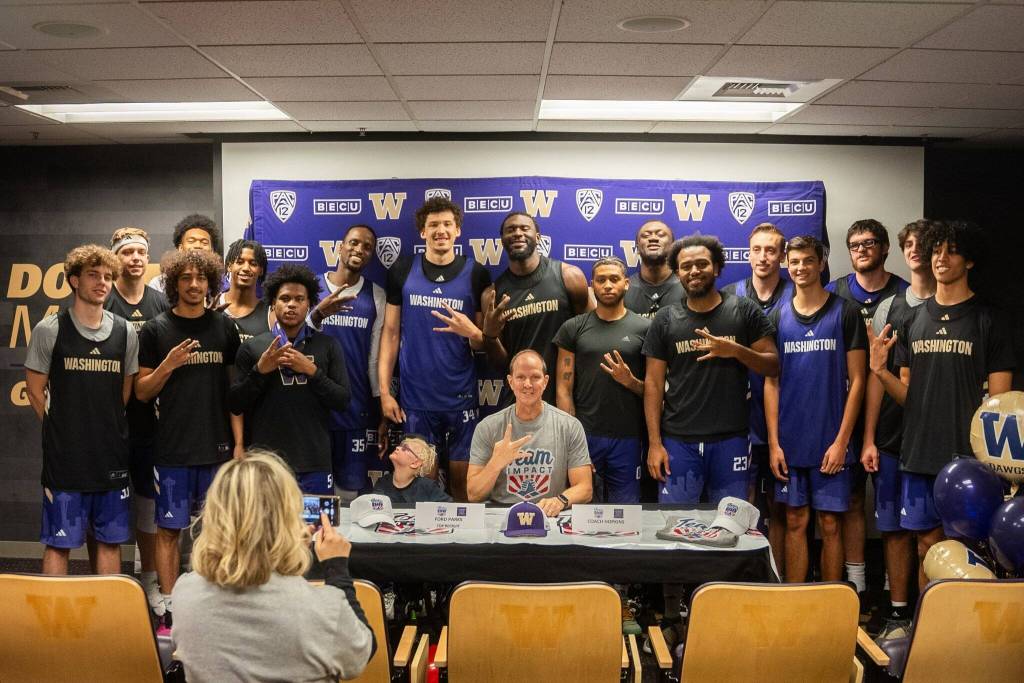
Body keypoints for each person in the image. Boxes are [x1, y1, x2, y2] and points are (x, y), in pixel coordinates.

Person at [869, 220, 1013, 594]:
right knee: (927, 548)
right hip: (918, 455)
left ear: (970, 261)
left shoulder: (989, 319)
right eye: (936, 250)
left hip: (969, 462)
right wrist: (880, 372)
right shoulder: (911, 318)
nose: (941, 258)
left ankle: (966, 638)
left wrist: (993, 464)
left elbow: (998, 405)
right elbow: (907, 396)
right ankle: (925, 630)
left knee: (968, 552)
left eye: (951, 251)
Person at [172, 450, 374, 683]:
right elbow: (359, 655)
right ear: (289, 517)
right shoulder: (322, 608)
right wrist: (336, 568)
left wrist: (288, 554)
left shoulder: (185, 593)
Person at [136, 249, 242, 632]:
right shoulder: (155, 329)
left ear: (211, 283)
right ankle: (170, 608)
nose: (194, 285)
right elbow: (143, 392)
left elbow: (235, 393)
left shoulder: (224, 328)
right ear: (173, 283)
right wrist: (168, 365)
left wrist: (238, 444)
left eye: (201, 278)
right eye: (186, 278)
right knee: (169, 531)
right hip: (173, 451)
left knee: (214, 532)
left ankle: (210, 602)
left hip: (216, 448)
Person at [24, 245, 138, 576]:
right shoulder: (51, 329)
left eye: (107, 277)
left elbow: (124, 394)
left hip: (110, 456)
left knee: (109, 542)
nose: (102, 282)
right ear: (74, 280)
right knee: (59, 543)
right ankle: (52, 624)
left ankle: (105, 619)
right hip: (65, 460)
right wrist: (62, 430)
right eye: (93, 275)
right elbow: (34, 390)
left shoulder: (125, 332)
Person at [642, 235, 779, 505]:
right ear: (678, 273)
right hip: (678, 442)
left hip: (732, 440)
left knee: (731, 528)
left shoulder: (743, 309)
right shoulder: (665, 319)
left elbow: (773, 365)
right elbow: (653, 385)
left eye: (702, 264)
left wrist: (736, 350)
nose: (694, 271)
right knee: (676, 527)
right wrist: (655, 444)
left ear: (716, 268)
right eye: (686, 266)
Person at [764, 235, 867, 584]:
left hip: (831, 441)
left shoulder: (845, 312)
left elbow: (858, 382)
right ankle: (794, 601)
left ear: (821, 263)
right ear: (786, 265)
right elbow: (771, 382)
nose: (801, 268)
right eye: (794, 262)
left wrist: (842, 442)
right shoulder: (778, 316)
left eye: (808, 260)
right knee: (794, 520)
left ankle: (830, 602)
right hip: (791, 443)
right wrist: (775, 443)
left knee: (830, 523)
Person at [378, 197, 491, 502]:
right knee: (422, 489)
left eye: (447, 224)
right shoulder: (402, 269)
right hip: (416, 399)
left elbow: (485, 343)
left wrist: (474, 333)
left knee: (463, 488)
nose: (440, 230)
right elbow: (389, 333)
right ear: (422, 232)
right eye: (433, 225)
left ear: (458, 231)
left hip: (460, 396)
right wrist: (386, 392)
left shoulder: (477, 272)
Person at [860, 220, 937, 641]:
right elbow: (877, 375)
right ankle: (898, 610)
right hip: (892, 435)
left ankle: (932, 613)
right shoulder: (892, 307)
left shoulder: (952, 307)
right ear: (902, 250)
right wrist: (869, 436)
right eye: (910, 244)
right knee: (892, 528)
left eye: (924, 244)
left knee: (929, 531)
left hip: (936, 438)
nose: (917, 251)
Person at [828, 219, 909, 597]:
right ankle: (856, 587)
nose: (861, 249)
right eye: (855, 244)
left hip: (894, 418)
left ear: (885, 248)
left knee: (896, 508)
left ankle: (898, 590)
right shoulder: (835, 294)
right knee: (852, 501)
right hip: (844, 414)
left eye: (870, 242)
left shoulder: (905, 296)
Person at [229, 265, 350, 494]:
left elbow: (342, 401)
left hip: (314, 462)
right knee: (267, 529)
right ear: (273, 303)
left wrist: (311, 371)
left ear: (309, 304)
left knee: (315, 530)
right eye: (284, 298)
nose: (291, 304)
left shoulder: (328, 346)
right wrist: (259, 371)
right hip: (266, 464)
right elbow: (235, 403)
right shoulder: (252, 348)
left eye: (299, 299)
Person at [104, 227, 169, 609]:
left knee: (147, 504)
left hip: (151, 422)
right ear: (116, 258)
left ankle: (148, 581)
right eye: (126, 252)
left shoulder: (161, 302)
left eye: (141, 252)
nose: (135, 258)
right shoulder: (103, 300)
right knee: (111, 505)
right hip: (110, 421)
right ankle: (110, 582)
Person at [722, 223, 793, 569]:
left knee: (779, 504)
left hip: (783, 414)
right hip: (736, 415)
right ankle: (740, 574)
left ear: (782, 255)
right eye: (757, 250)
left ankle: (774, 575)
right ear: (748, 253)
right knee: (740, 501)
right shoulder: (731, 295)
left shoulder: (798, 295)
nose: (763, 257)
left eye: (771, 250)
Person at [554, 257, 649, 503]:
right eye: (601, 280)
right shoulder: (573, 328)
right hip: (586, 436)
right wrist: (571, 440)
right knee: (583, 509)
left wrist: (630, 381)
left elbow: (656, 389)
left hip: (628, 436)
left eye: (614, 279)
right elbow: (564, 388)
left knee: (625, 513)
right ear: (591, 285)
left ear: (626, 284)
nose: (608, 285)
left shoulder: (645, 327)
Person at [480, 211, 593, 405]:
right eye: (510, 230)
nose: (517, 233)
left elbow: (592, 334)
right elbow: (501, 364)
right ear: (502, 240)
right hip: (520, 399)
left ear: (538, 237)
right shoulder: (492, 295)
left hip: (566, 396)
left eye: (524, 228)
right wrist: (489, 338)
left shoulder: (569, 277)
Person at [310, 224, 387, 500]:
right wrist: (316, 314)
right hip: (312, 409)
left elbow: (374, 357)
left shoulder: (376, 296)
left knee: (348, 496)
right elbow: (289, 338)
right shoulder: (311, 288)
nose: (359, 250)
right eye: (354, 243)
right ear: (340, 247)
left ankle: (343, 545)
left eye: (367, 247)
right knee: (313, 497)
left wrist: (380, 408)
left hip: (354, 409)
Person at [467, 350, 592, 515]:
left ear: (546, 381)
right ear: (510, 382)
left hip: (549, 515)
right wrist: (496, 463)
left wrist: (560, 501)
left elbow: (585, 488)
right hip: (503, 514)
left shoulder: (569, 426)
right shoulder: (488, 427)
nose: (528, 384)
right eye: (520, 377)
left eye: (535, 377)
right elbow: (473, 495)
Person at [623, 220, 684, 318]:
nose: (653, 238)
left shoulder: (687, 286)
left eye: (661, 234)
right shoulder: (623, 288)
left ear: (673, 246)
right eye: (646, 236)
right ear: (637, 248)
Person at [147, 214, 221, 293]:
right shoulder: (159, 284)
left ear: (212, 250)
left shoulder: (220, 284)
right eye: (191, 241)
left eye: (204, 242)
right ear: (180, 248)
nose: (198, 246)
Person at [373, 434, 452, 504]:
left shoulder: (427, 487)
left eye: (405, 448)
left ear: (415, 463)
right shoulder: (383, 483)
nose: (397, 448)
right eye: (399, 446)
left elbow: (449, 508)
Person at [219, 239, 271, 341]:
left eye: (253, 263)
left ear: (261, 270)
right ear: (229, 266)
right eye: (240, 262)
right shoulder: (212, 305)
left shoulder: (269, 313)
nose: (246, 268)